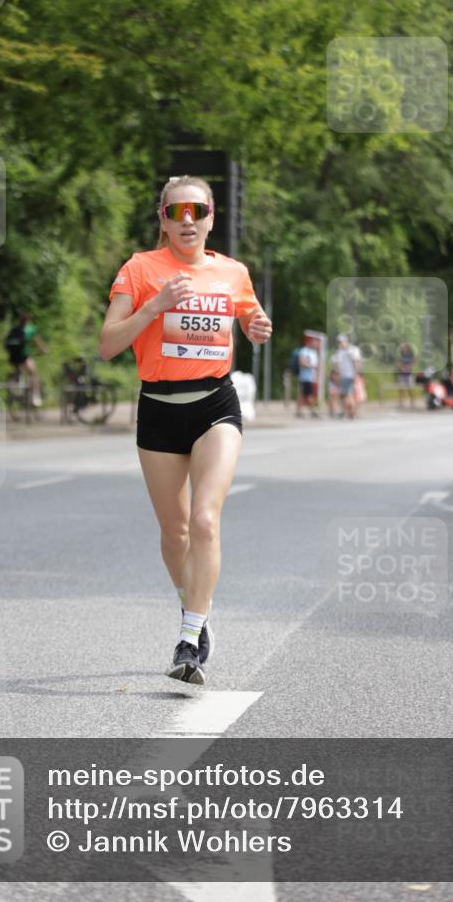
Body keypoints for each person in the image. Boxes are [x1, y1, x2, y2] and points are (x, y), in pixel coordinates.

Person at [99, 175, 272, 684]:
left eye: (197, 211)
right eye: (177, 213)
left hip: (216, 405)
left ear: (211, 216)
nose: (188, 220)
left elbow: (252, 317)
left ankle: (189, 640)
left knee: (203, 521)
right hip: (158, 408)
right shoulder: (140, 269)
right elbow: (108, 344)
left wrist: (257, 327)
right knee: (174, 533)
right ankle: (193, 609)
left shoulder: (232, 272)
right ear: (164, 219)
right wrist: (154, 306)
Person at [4, 311, 48, 408]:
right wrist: (44, 350)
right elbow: (38, 342)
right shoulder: (30, 329)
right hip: (24, 356)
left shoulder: (14, 329)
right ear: (28, 320)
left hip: (13, 357)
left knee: (17, 371)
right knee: (33, 373)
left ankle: (12, 389)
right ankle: (35, 396)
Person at [332, 333, 361, 418]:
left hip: (350, 376)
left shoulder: (353, 350)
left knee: (347, 394)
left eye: (341, 341)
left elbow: (357, 362)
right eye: (339, 342)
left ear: (346, 341)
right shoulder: (340, 351)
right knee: (345, 395)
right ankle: (348, 412)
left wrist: (355, 374)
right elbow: (337, 365)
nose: (340, 343)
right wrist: (337, 375)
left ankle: (351, 412)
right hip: (343, 376)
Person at [290, 336, 319, 418]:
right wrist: (310, 365)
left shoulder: (313, 352)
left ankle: (299, 412)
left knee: (303, 394)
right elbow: (301, 363)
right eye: (314, 342)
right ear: (310, 342)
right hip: (305, 377)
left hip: (311, 377)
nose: (315, 344)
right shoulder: (304, 351)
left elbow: (315, 365)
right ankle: (312, 411)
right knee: (308, 395)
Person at [397, 341, 416, 408]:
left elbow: (414, 362)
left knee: (410, 389)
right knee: (401, 388)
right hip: (402, 373)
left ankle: (412, 402)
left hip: (409, 373)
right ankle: (400, 402)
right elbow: (398, 362)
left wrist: (409, 367)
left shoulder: (411, 354)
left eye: (404, 347)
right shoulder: (401, 354)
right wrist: (402, 367)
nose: (403, 348)